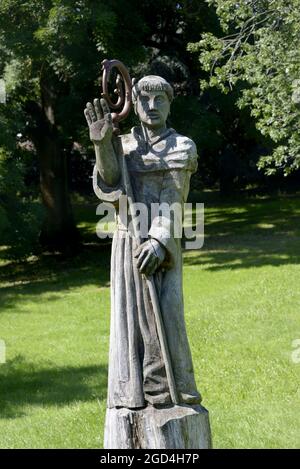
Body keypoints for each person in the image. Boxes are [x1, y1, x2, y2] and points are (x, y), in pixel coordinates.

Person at [84, 75, 201, 408]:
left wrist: (158, 242)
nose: (151, 106)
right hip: (127, 243)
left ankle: (168, 389)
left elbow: (174, 197)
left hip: (160, 246)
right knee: (131, 319)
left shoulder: (182, 147)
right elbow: (111, 186)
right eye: (144, 100)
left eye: (159, 99)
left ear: (169, 103)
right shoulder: (125, 146)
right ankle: (131, 392)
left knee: (164, 317)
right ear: (133, 105)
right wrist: (102, 144)